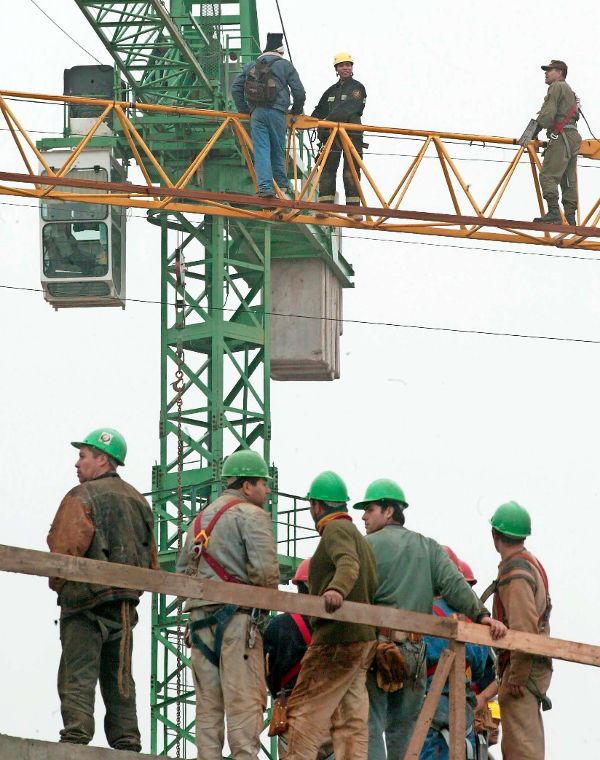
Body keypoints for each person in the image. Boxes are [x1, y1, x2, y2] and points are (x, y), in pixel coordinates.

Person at [354, 478, 506, 760]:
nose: (363, 516)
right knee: (405, 728)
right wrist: (482, 616)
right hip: (414, 652)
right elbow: (455, 584)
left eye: (370, 509)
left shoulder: (364, 546)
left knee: (370, 723)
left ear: (389, 511)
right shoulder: (427, 546)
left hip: (378, 648)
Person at [47, 428, 159, 751]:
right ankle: (127, 743)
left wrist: (60, 586)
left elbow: (64, 550)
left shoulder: (81, 496)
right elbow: (152, 562)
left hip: (84, 603)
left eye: (83, 456)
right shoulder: (139, 501)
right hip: (124, 607)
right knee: (120, 678)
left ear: (102, 459)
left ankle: (75, 740)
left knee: (77, 675)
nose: (77, 463)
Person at [176, 449, 279, 760]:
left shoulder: (199, 520)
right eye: (263, 483)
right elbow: (265, 575)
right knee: (243, 700)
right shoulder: (252, 515)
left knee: (208, 703)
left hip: (199, 622)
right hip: (238, 621)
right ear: (246, 485)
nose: (267, 490)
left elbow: (182, 573)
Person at [282, 471, 378, 760]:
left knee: (304, 713)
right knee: (351, 721)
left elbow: (348, 564)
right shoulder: (359, 538)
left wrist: (336, 589)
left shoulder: (335, 530)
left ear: (316, 505)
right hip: (362, 640)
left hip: (336, 639)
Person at [483, 501, 552, 760]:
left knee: (521, 749)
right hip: (528, 668)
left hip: (522, 670)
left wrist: (517, 676)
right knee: (522, 743)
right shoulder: (528, 563)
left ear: (495, 535)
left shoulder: (516, 570)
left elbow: (524, 629)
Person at [420, 549, 490, 760]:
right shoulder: (472, 617)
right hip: (463, 703)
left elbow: (417, 658)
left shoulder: (422, 611)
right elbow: (480, 668)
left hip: (429, 698)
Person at [263, 558, 333, 760]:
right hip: (333, 710)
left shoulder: (279, 625)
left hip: (292, 709)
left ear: (300, 586)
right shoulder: (341, 625)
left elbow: (267, 673)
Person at [231, 32, 305, 198]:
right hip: (278, 112)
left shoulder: (252, 65)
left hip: (257, 113)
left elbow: (235, 89)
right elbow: (299, 93)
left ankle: (265, 187)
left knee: (261, 150)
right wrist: (296, 110)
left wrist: (245, 111)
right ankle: (281, 188)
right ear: (280, 51)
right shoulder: (285, 65)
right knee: (277, 149)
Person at [311, 52, 367, 219]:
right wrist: (307, 121)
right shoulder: (330, 92)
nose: (345, 68)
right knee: (327, 170)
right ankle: (325, 207)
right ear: (336, 69)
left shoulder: (357, 88)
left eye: (348, 65)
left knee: (351, 171)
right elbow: (319, 110)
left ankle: (354, 210)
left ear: (352, 68)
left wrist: (326, 122)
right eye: (341, 65)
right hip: (331, 136)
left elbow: (347, 109)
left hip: (351, 135)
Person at [533, 60, 581, 225]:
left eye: (549, 70)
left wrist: (535, 130)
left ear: (560, 72)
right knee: (568, 179)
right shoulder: (570, 91)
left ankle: (554, 212)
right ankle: (570, 217)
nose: (546, 73)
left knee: (548, 175)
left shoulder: (557, 86)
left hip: (561, 136)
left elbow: (548, 112)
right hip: (572, 137)